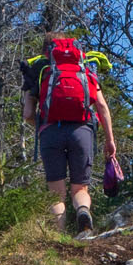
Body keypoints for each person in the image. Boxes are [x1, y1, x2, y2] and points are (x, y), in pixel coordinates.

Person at [21, 36, 118, 234]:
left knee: (56, 193)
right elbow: (101, 106)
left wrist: (42, 125)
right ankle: (83, 211)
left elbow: (28, 114)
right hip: (81, 130)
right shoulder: (84, 67)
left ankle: (60, 235)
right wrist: (110, 140)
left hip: (50, 131)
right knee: (80, 188)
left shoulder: (40, 69)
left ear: (46, 51)